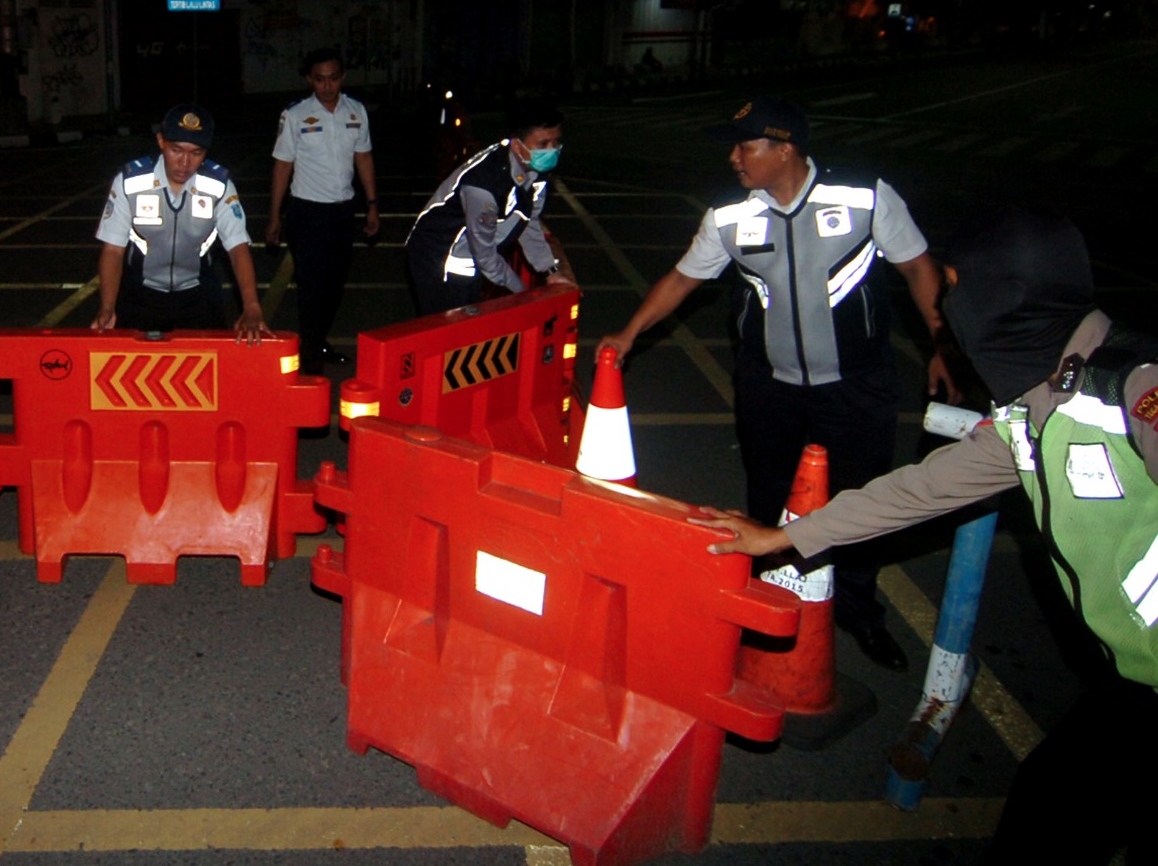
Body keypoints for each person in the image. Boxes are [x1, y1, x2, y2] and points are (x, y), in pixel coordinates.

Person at [693, 209, 1155, 864]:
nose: (945, 309)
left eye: (956, 288)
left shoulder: (1133, 387)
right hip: (1134, 682)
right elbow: (920, 490)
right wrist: (778, 539)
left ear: (1004, 293)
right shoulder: (1034, 407)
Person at [598, 96, 955, 672]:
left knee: (860, 498)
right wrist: (631, 332)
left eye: (746, 145)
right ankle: (765, 603)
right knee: (767, 497)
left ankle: (859, 610)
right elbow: (685, 278)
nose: (734, 157)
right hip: (771, 387)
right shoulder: (730, 216)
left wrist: (944, 347)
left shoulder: (864, 197)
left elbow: (917, 266)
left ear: (784, 148)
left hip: (857, 383)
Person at [93, 104, 272, 342]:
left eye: (196, 153)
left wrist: (251, 306)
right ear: (161, 142)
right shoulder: (130, 182)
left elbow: (238, 248)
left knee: (208, 372)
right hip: (140, 297)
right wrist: (107, 307)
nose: (185, 162)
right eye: (176, 150)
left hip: (199, 297)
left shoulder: (219, 186)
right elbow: (113, 249)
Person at [265, 48, 379, 373]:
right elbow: (282, 165)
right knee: (311, 288)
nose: (327, 86)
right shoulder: (296, 115)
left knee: (334, 286)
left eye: (332, 78)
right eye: (319, 79)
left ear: (341, 77)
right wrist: (275, 214)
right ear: (309, 80)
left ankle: (318, 340)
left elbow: (364, 158)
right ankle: (311, 358)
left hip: (343, 213)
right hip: (307, 213)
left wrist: (372, 205)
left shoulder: (356, 111)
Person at [404, 101, 576, 315]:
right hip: (439, 254)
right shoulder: (484, 184)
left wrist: (549, 271)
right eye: (543, 144)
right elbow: (484, 255)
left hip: (471, 252)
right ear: (516, 145)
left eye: (556, 142)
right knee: (446, 328)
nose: (551, 150)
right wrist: (520, 292)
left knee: (469, 323)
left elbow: (527, 221)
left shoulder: (534, 169)